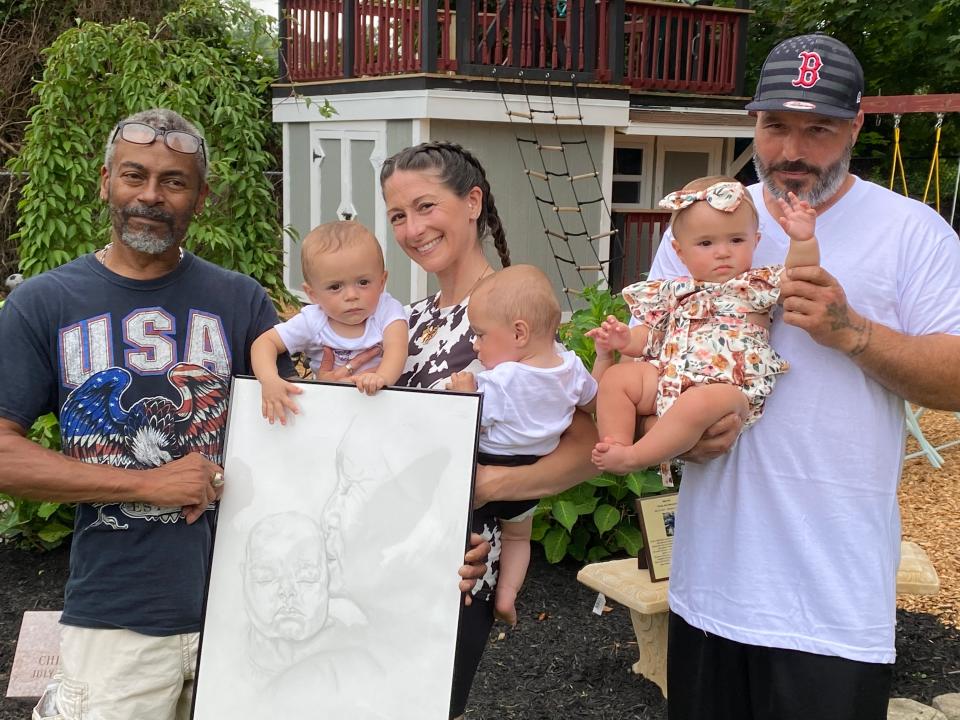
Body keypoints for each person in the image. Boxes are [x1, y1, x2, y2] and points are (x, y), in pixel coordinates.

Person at [0, 109, 489, 720]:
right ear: (105, 182)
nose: (151, 195)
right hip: (118, 618)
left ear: (200, 198)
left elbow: (316, 445)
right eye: (134, 175)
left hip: (251, 623)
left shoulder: (237, 300)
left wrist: (434, 537)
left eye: (174, 181)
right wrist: (144, 484)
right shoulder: (43, 303)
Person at [648, 34, 960, 720]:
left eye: (817, 128)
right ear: (754, 123)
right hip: (710, 585)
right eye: (776, 125)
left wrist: (853, 331)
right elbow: (653, 359)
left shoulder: (913, 232)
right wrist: (673, 434)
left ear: (854, 126)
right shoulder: (707, 221)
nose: (792, 149)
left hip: (831, 599)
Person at [378, 141, 598, 719]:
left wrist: (488, 488)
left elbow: (586, 447)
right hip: (387, 555)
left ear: (473, 202)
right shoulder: (411, 318)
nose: (413, 228)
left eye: (426, 207)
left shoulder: (510, 315)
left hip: (459, 564)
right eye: (398, 215)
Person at [587, 177, 818, 476]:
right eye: (706, 243)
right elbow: (650, 338)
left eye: (736, 240)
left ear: (755, 242)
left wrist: (803, 241)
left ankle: (635, 457)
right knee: (619, 378)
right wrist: (623, 340)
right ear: (680, 252)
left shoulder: (755, 285)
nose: (722, 252)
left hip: (728, 388)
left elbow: (799, 276)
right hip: (668, 377)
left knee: (697, 403)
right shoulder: (675, 292)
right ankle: (615, 444)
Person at [447, 264, 598, 626]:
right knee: (518, 539)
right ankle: (508, 594)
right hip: (531, 475)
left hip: (486, 465)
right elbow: (596, 404)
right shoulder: (572, 368)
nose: (476, 344)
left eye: (481, 335)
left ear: (519, 333)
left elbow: (465, 422)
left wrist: (464, 394)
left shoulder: (503, 379)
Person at [252, 220, 408, 422]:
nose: (351, 295)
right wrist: (269, 379)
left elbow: (398, 348)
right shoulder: (313, 320)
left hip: (382, 406)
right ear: (312, 294)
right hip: (330, 410)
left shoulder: (387, 310)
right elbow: (265, 343)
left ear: (381, 282)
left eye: (363, 282)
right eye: (335, 287)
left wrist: (382, 378)